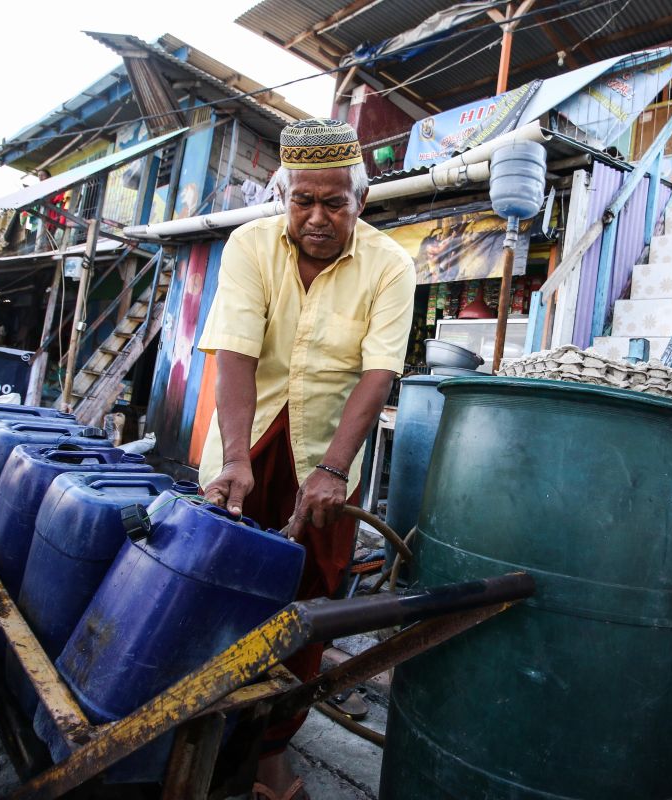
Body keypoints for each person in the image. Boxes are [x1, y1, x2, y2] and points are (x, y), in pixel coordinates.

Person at [197, 119, 415, 800]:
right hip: (245, 447)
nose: (318, 218)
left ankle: (267, 759)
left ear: (362, 200)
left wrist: (332, 468)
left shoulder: (391, 266)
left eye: (336, 202)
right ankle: (190, 736)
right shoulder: (249, 246)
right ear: (283, 194)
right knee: (207, 593)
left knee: (308, 616)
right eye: (303, 201)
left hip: (326, 466)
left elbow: (377, 375)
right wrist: (235, 459)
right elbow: (233, 349)